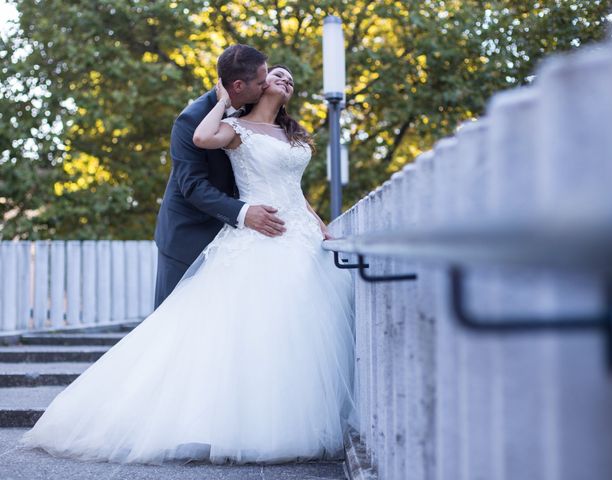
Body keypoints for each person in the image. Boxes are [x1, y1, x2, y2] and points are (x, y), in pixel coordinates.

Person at [18, 62, 358, 465]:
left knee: (297, 329)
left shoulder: (290, 132)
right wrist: (243, 208)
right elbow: (192, 183)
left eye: (288, 78)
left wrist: (320, 225)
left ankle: (288, 415)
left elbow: (292, 189)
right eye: (274, 74)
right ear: (245, 85)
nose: (284, 80)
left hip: (294, 233)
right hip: (200, 228)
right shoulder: (207, 119)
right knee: (191, 329)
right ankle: (178, 416)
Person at [153, 44, 287, 308]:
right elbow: (192, 187)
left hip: (233, 241)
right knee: (176, 322)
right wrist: (244, 213)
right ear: (238, 86)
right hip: (188, 236)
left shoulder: (253, 107)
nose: (266, 85)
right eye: (261, 81)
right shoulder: (190, 120)